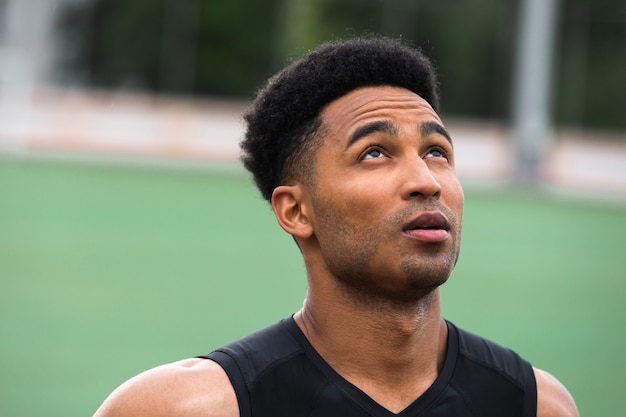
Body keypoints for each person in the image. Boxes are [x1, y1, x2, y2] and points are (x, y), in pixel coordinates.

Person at [93, 36, 578, 417]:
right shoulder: (184, 409)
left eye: (437, 152)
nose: (426, 181)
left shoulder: (535, 405)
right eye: (374, 153)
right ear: (296, 212)